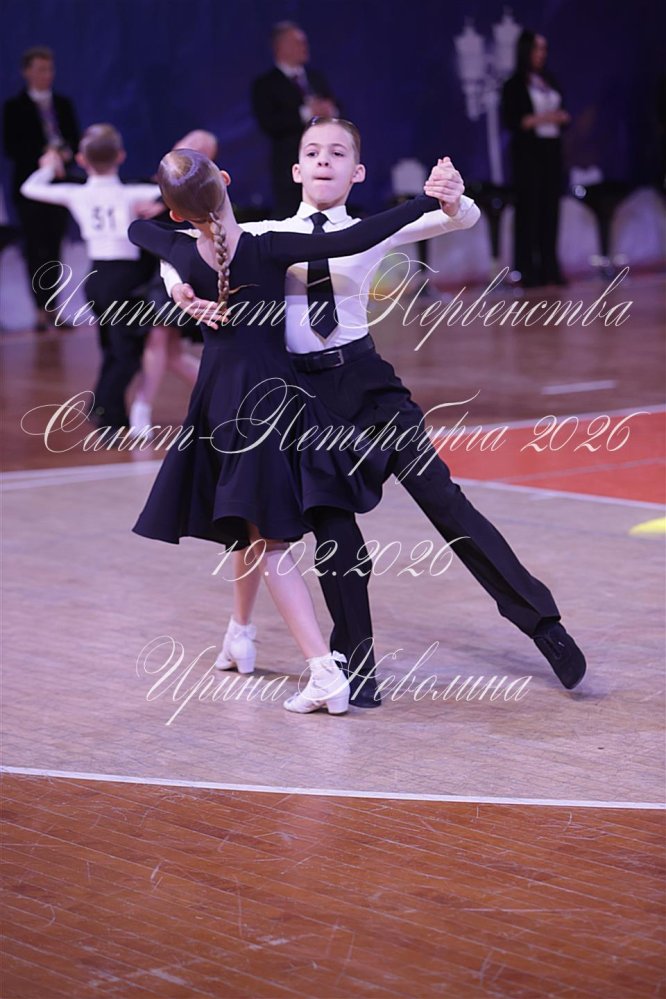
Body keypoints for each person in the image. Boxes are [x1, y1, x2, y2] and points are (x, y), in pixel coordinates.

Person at [166, 118, 587, 700]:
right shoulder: (264, 234)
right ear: (296, 170)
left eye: (338, 153)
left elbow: (461, 218)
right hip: (305, 400)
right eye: (313, 152)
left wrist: (452, 193)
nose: (324, 161)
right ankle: (355, 666)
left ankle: (544, 625)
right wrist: (178, 289)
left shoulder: (372, 230)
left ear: (357, 172)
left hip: (369, 387)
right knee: (336, 533)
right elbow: (179, 243)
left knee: (447, 503)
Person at [128, 148, 447, 715]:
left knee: (262, 535)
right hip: (271, 399)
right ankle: (245, 635)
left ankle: (322, 672)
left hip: (223, 401)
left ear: (176, 214)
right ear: (227, 182)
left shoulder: (178, 247)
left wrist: (179, 285)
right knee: (252, 529)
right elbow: (353, 237)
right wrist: (424, 201)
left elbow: (139, 230)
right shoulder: (268, 246)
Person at [20, 124, 160, 430]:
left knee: (113, 349)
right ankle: (104, 412)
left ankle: (107, 411)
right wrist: (161, 202)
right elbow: (180, 191)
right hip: (125, 278)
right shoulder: (134, 193)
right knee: (127, 354)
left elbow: (29, 188)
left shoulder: (77, 194)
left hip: (96, 279)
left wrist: (48, 167)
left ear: (82, 160)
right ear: (120, 156)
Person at [128, 130, 219, 437]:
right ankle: (224, 396)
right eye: (187, 142)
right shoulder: (159, 181)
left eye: (198, 148)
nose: (188, 147)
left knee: (162, 343)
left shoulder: (200, 192)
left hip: (181, 272)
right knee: (169, 351)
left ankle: (142, 406)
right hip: (153, 273)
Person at [3, 46, 80, 331]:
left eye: (49, 69)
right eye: (40, 69)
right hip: (30, 188)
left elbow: (74, 139)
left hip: (59, 185)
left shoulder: (62, 104)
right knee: (36, 248)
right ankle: (39, 310)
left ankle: (54, 308)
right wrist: (43, 155)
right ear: (27, 72)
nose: (46, 75)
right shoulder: (15, 107)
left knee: (55, 247)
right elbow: (12, 147)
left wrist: (63, 154)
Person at [502, 31, 570, 287]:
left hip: (551, 151)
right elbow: (514, 121)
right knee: (529, 210)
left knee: (551, 210)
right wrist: (545, 118)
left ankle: (550, 267)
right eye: (537, 49)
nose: (541, 54)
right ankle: (527, 269)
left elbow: (562, 111)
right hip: (528, 155)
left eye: (544, 49)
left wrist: (561, 118)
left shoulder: (548, 80)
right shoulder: (514, 85)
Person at [252, 22, 339, 218]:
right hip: (289, 166)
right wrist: (305, 113)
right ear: (281, 47)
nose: (304, 47)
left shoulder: (316, 78)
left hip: (325, 161)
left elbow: (336, 105)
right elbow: (269, 123)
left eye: (304, 42)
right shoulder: (266, 84)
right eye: (298, 42)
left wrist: (330, 110)